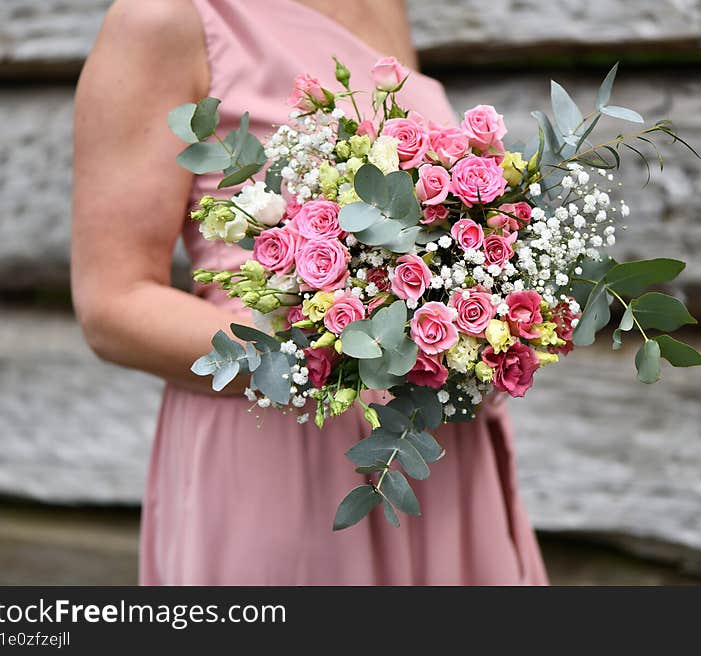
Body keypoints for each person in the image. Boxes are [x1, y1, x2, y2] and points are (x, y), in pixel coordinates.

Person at [72, 0, 548, 585]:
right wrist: (339, 352)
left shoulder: (383, 8)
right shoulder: (164, 19)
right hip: (283, 452)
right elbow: (111, 306)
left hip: (431, 449)